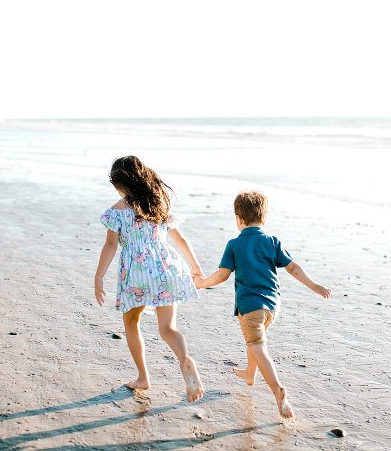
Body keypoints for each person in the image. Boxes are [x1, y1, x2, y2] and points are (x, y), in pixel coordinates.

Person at [194, 190, 331, 418]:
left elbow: (222, 275)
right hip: (272, 307)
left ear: (238, 218)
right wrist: (314, 285)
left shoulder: (235, 244)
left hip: (250, 307)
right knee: (255, 341)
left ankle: (277, 390)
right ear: (263, 217)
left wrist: (200, 284)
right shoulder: (272, 241)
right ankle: (249, 374)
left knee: (257, 346)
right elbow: (293, 267)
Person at [94, 155, 205, 403]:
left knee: (131, 322)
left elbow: (110, 245)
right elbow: (180, 239)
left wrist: (98, 276)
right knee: (168, 329)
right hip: (166, 270)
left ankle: (143, 377)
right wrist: (195, 266)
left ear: (120, 185)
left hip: (136, 274)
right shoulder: (158, 206)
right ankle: (185, 361)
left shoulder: (116, 212)